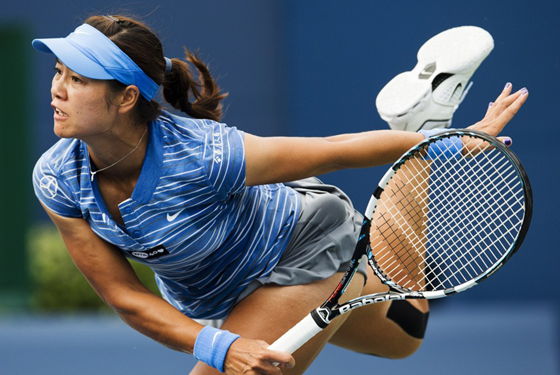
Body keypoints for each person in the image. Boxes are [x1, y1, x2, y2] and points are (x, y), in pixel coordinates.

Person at [31, 15, 528, 375]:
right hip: (220, 294)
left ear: (126, 97)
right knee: (405, 336)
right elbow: (125, 297)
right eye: (58, 73)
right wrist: (220, 344)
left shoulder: (203, 154)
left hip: (297, 249)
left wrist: (450, 146)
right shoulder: (58, 178)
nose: (57, 89)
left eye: (77, 79)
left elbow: (331, 151)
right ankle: (417, 130)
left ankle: (420, 143)